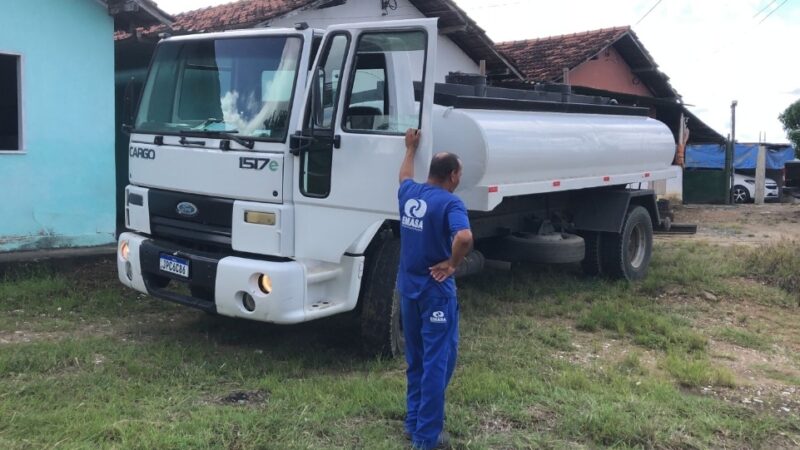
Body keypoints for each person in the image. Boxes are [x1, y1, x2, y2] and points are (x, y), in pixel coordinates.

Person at [397, 128, 473, 450]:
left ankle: (413, 423)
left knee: (416, 359)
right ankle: (427, 438)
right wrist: (452, 264)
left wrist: (410, 150)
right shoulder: (451, 203)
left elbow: (403, 177)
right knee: (438, 361)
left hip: (408, 289)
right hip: (435, 291)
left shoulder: (410, 193)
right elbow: (465, 238)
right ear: (453, 175)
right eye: (460, 173)